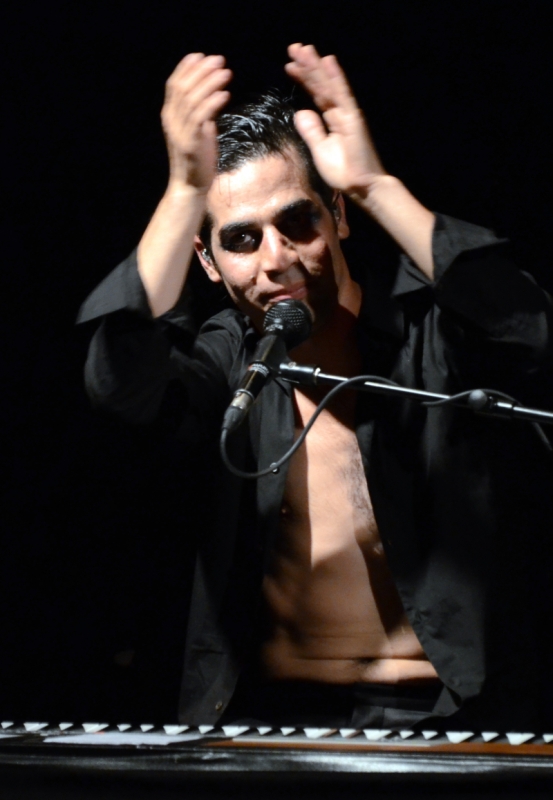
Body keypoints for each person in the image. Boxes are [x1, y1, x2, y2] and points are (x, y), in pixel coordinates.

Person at [79, 44, 553, 731]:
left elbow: (527, 331)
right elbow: (120, 384)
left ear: (337, 216)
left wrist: (374, 186)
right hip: (266, 726)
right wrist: (183, 194)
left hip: (445, 722)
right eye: (242, 240)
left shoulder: (431, 340)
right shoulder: (227, 363)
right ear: (207, 262)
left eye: (297, 221)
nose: (276, 259)